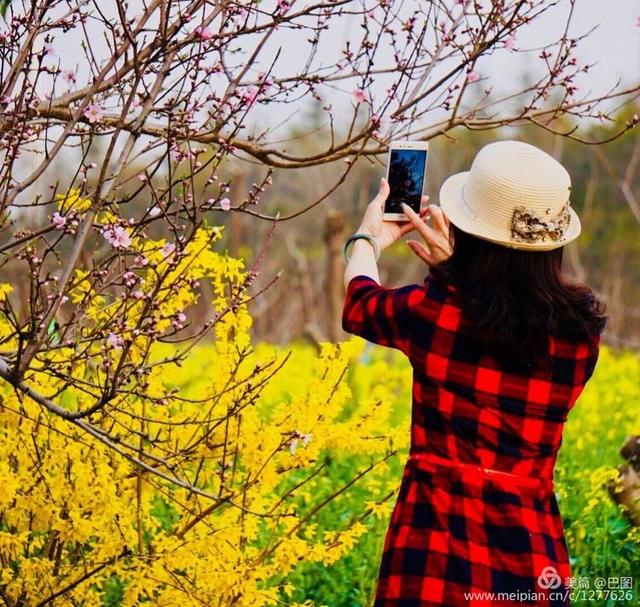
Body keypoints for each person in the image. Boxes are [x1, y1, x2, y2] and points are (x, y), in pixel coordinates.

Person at [341, 140, 606, 607]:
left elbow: (360, 303)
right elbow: (503, 323)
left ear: (471, 234)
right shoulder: (580, 339)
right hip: (528, 550)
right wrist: (455, 274)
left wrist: (369, 238)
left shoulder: (434, 313)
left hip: (433, 544)